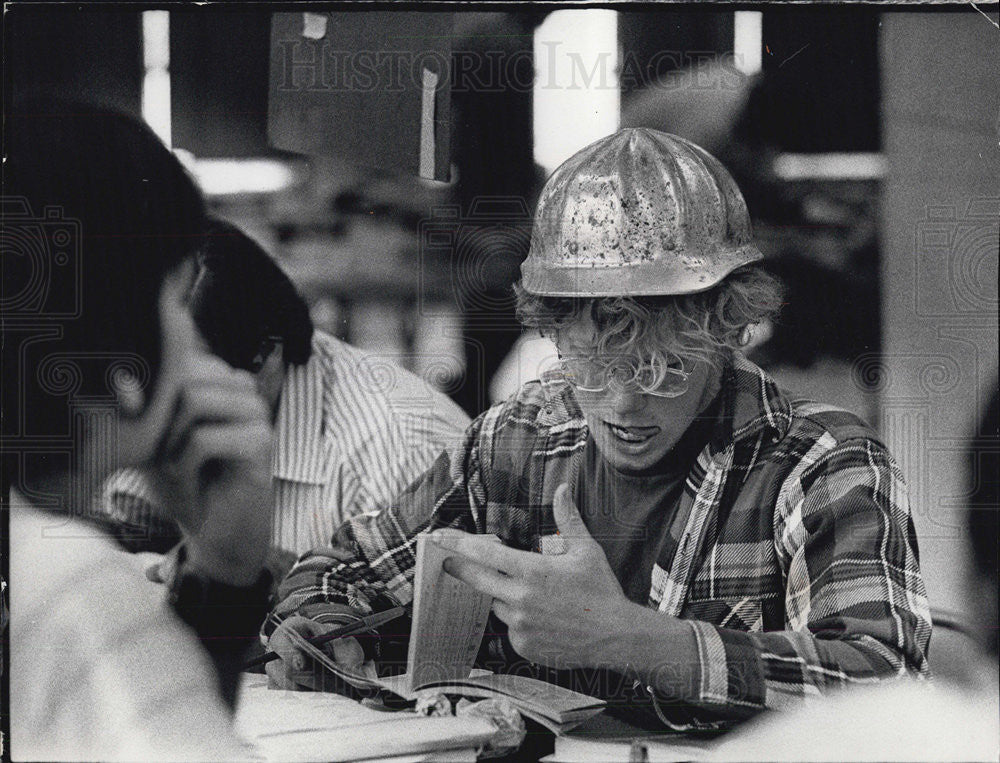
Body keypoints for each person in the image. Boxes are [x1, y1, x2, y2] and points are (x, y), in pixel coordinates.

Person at [263, 129, 931, 731]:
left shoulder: (820, 463)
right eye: (591, 363)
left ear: (730, 334)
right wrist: (326, 632)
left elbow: (886, 685)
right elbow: (336, 570)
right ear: (552, 332)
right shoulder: (517, 442)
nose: (622, 404)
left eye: (664, 369)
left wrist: (627, 637)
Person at [4, 102, 271, 760]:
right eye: (180, 300)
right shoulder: (70, 584)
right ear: (125, 338)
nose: (196, 343)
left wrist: (222, 575)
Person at [101, 219, 470, 573]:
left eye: (176, 378)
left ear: (267, 356)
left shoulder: (401, 459)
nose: (147, 402)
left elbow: (403, 635)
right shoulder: (150, 402)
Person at [707, 389, 998, 761]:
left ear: (976, 589)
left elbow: (877, 674)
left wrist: (654, 644)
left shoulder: (831, 453)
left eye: (670, 365)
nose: (626, 401)